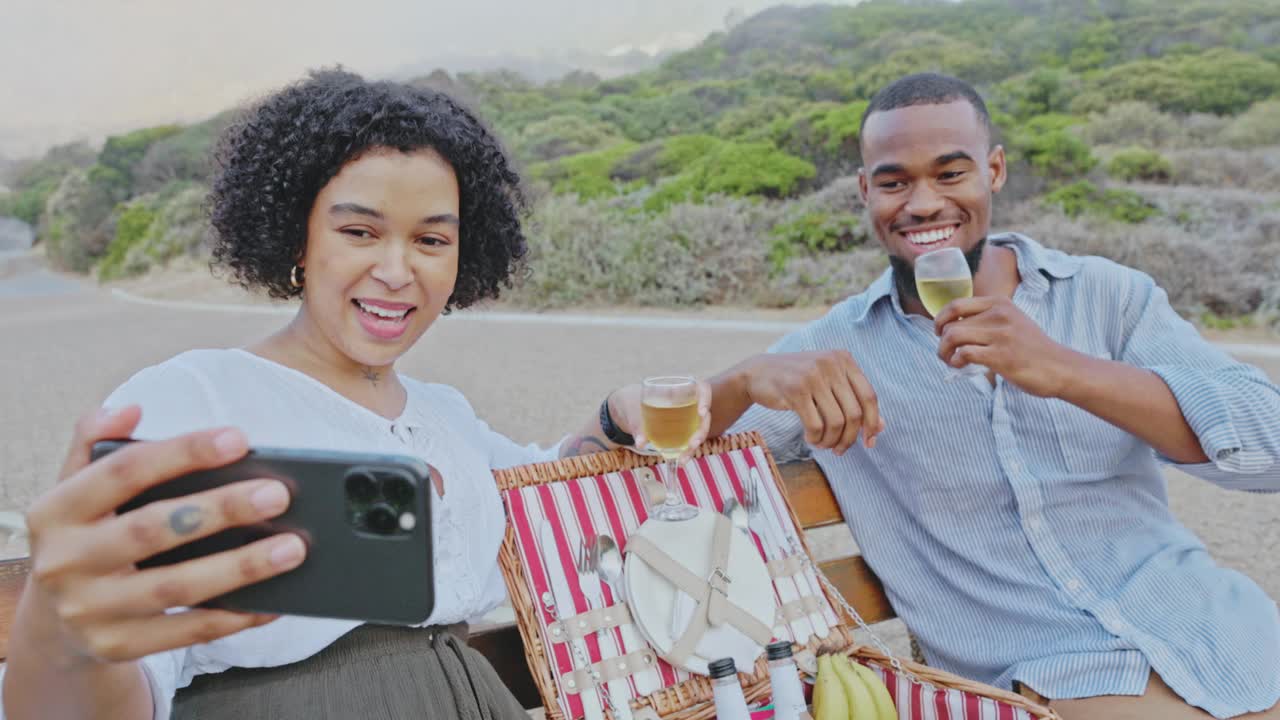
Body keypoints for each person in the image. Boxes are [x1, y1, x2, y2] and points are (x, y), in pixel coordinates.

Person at [0, 69, 708, 720]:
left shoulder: (443, 415)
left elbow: (546, 482)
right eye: (359, 231)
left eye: (431, 240)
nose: (397, 270)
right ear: (297, 239)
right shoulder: (194, 401)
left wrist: (624, 413)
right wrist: (59, 634)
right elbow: (109, 678)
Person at [705, 73, 1280, 719]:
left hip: (1225, 630)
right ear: (866, 192)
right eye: (895, 182)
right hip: (1056, 677)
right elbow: (615, 457)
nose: (923, 204)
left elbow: (1271, 449)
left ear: (995, 170)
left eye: (951, 174)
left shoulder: (1108, 296)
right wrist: (740, 380)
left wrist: (1063, 370)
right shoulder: (837, 349)